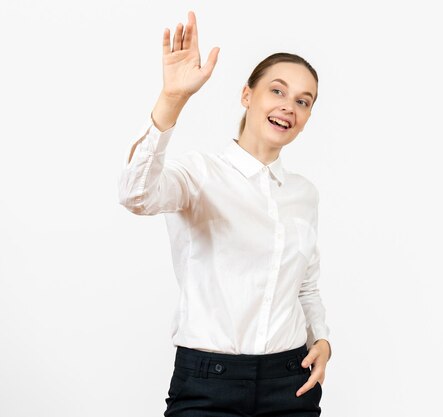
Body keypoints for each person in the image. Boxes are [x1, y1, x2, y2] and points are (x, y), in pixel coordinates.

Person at [117, 10, 332, 417]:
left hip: (290, 383)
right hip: (207, 383)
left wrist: (321, 339)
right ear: (247, 95)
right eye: (277, 91)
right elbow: (135, 194)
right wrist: (172, 98)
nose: (289, 107)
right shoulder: (198, 174)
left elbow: (305, 286)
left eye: (303, 101)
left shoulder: (304, 194)